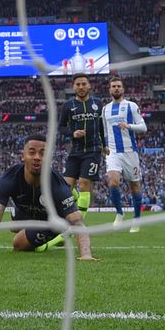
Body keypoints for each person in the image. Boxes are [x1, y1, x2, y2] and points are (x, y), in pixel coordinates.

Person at [0, 134, 99, 261]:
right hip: (27, 210)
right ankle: (35, 231)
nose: (37, 158)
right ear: (22, 156)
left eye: (42, 153)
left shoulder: (58, 186)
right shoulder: (8, 179)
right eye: (32, 152)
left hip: (51, 219)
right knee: (13, 227)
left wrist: (86, 255)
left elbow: (77, 222)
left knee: (18, 243)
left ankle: (58, 232)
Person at [39, 72, 105, 251]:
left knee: (84, 183)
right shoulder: (69, 105)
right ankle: (63, 222)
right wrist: (72, 133)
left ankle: (77, 224)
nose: (81, 87)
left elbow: (101, 127)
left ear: (89, 86)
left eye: (84, 84)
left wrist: (105, 146)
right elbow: (60, 127)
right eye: (78, 84)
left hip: (92, 151)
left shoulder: (98, 104)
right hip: (75, 152)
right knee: (65, 188)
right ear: (73, 87)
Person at [101, 76, 148, 232]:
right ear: (110, 89)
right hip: (113, 152)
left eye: (118, 86)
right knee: (113, 181)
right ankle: (119, 214)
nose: (116, 88)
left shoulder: (131, 106)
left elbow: (143, 127)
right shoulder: (105, 109)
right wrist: (103, 145)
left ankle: (136, 219)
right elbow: (104, 131)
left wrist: (129, 126)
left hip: (130, 152)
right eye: (113, 86)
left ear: (123, 89)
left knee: (135, 187)